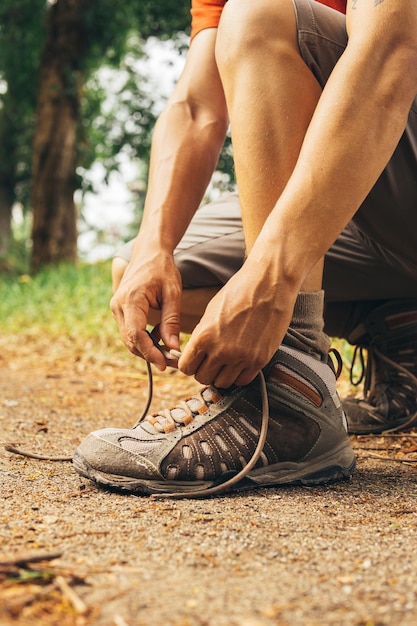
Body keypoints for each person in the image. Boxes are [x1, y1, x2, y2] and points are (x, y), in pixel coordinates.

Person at [73, 0, 417, 497]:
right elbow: (195, 107)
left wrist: (270, 276)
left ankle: (289, 400)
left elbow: (390, 58)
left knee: (260, 14)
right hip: (366, 213)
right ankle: (399, 326)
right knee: (151, 277)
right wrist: (155, 244)